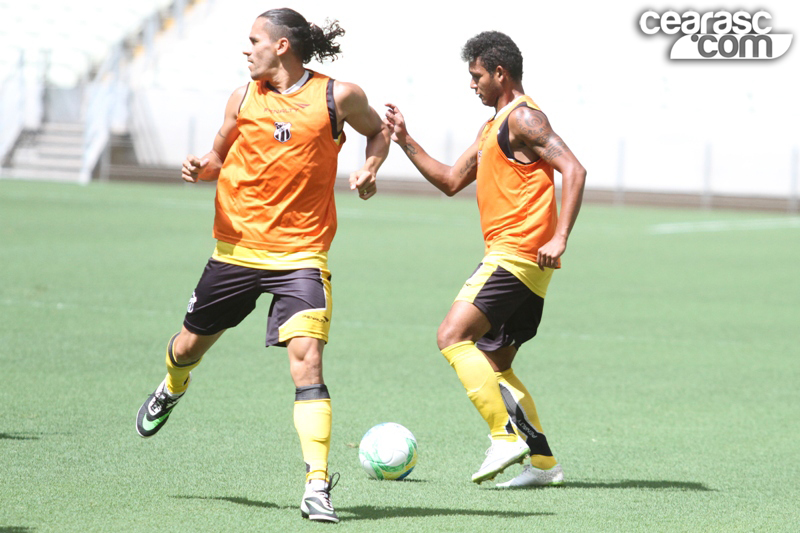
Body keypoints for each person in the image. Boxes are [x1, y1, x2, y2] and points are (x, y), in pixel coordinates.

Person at [135, 8, 390, 523]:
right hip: (235, 251)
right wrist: (200, 167)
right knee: (187, 348)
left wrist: (369, 166)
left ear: (281, 47)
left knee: (308, 362)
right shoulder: (242, 97)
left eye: (253, 40)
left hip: (301, 256)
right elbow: (216, 156)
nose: (245, 49)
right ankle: (173, 385)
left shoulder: (338, 96)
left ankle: (317, 484)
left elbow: (377, 132)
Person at [385, 31, 586, 487]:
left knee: (451, 335)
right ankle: (542, 464)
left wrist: (561, 236)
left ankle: (504, 435)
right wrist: (405, 140)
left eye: (476, 75)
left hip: (514, 255)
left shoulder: (524, 119)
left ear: (500, 73)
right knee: (496, 365)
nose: (471, 84)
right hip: (525, 265)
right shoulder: (492, 128)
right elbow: (452, 180)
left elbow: (574, 169)